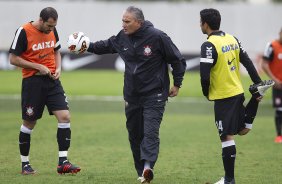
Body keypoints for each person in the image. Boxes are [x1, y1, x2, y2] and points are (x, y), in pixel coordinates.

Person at [68, 6, 186, 183]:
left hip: (155, 94)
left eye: (127, 21)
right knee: (134, 134)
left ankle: (148, 167)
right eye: (122, 20)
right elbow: (106, 45)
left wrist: (177, 83)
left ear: (139, 22)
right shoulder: (122, 36)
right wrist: (87, 46)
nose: (123, 24)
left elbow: (177, 60)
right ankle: (142, 173)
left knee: (150, 132)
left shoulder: (157, 37)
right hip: (131, 95)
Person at [199, 8, 274, 184]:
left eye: (200, 21)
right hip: (237, 91)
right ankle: (256, 97)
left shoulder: (209, 45)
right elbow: (247, 61)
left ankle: (229, 179)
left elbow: (204, 75)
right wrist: (257, 82)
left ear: (206, 24)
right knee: (242, 130)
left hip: (224, 96)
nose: (199, 24)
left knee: (226, 136)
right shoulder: (232, 38)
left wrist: (206, 93)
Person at [9, 7, 80, 175]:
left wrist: (59, 68)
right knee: (29, 123)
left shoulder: (52, 29)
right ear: (41, 20)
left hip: (52, 81)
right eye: (49, 26)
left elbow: (56, 51)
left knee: (65, 116)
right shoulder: (24, 31)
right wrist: (37, 66)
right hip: (32, 82)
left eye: (53, 26)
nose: (51, 29)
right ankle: (25, 165)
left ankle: (63, 162)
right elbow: (13, 59)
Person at [261, 28, 282, 143]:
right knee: (279, 110)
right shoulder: (272, 46)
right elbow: (264, 64)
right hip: (278, 85)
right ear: (280, 33)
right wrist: (274, 80)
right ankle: (279, 135)